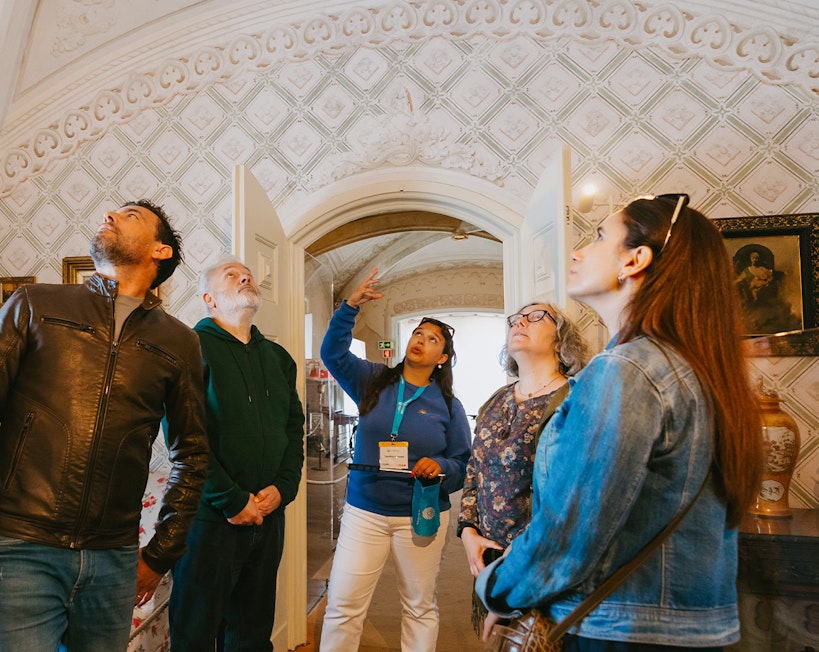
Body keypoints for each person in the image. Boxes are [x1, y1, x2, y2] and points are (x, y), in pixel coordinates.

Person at [477, 194, 763, 650]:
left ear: (635, 260)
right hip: (690, 626)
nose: (576, 252)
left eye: (598, 237)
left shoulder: (627, 370)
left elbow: (569, 530)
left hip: (619, 628)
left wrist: (496, 587)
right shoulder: (696, 366)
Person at [0, 200, 209, 651]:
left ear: (161, 251)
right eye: (112, 211)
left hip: (114, 558)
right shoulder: (34, 305)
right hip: (17, 548)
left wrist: (161, 553)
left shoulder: (180, 342)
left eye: (131, 214)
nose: (110, 214)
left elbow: (193, 453)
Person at [318, 266, 471, 652]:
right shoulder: (373, 379)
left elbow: (461, 464)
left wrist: (442, 468)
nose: (420, 340)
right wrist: (349, 307)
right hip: (364, 511)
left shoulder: (449, 406)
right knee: (343, 605)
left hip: (419, 515)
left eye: (432, 338)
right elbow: (331, 353)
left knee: (419, 607)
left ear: (443, 357)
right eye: (418, 333)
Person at [168, 256, 305, 651]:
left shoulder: (279, 359)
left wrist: (284, 486)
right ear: (209, 298)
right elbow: (184, 438)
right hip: (209, 519)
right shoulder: (189, 351)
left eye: (248, 274)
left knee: (252, 632)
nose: (246, 277)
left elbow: (293, 429)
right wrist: (231, 499)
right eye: (232, 275)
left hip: (268, 516)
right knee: (195, 633)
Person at [457, 302, 590, 636]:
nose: (520, 322)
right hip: (489, 561)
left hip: (541, 565)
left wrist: (522, 558)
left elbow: (572, 491)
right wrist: (468, 531)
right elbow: (475, 468)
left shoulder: (573, 399)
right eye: (515, 319)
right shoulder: (497, 399)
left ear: (560, 342)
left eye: (535, 317)